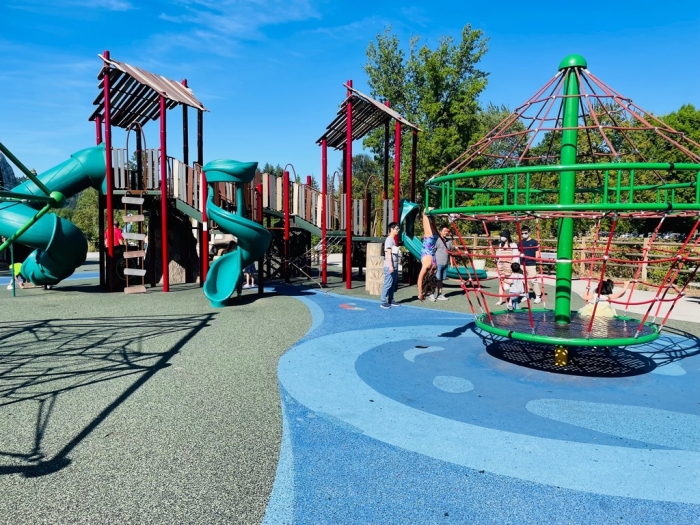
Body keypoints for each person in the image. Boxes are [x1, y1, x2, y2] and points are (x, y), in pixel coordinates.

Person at [417, 210, 439, 301]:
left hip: (432, 242)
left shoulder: (432, 267)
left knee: (429, 216)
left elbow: (420, 280)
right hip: (429, 243)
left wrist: (420, 293)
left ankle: (430, 212)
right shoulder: (429, 267)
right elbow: (419, 280)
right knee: (427, 214)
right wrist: (420, 294)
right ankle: (429, 212)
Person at [519, 226, 542, 304]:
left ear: (529, 233)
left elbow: (537, 252)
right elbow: (518, 252)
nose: (523, 234)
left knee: (533, 281)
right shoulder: (520, 243)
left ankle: (538, 296)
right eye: (522, 233)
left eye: (525, 233)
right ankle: (526, 295)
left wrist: (536, 259)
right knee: (523, 281)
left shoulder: (534, 242)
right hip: (522, 264)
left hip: (531, 264)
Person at [380, 222, 401, 309]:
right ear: (391, 229)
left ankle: (391, 299)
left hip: (394, 265)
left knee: (393, 284)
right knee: (387, 283)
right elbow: (388, 253)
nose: (398, 230)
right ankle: (383, 301)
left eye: (398, 229)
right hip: (389, 266)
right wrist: (391, 266)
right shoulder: (389, 239)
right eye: (396, 229)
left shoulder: (393, 240)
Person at [495, 229, 518, 305]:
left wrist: (515, 266)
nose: (502, 237)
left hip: (509, 265)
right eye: (501, 236)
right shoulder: (500, 245)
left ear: (507, 237)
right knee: (501, 282)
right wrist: (497, 261)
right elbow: (499, 255)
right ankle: (500, 299)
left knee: (511, 283)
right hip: (501, 265)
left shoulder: (513, 245)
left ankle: (511, 301)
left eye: (503, 236)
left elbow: (515, 257)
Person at [434, 224, 453, 301]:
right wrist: (433, 263)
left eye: (446, 231)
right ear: (440, 231)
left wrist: (451, 263)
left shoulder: (449, 242)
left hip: (445, 263)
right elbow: (433, 251)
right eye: (444, 231)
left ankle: (440, 294)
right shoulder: (437, 240)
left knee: (441, 279)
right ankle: (431, 293)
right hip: (438, 263)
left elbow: (450, 253)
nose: (446, 232)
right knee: (437, 279)